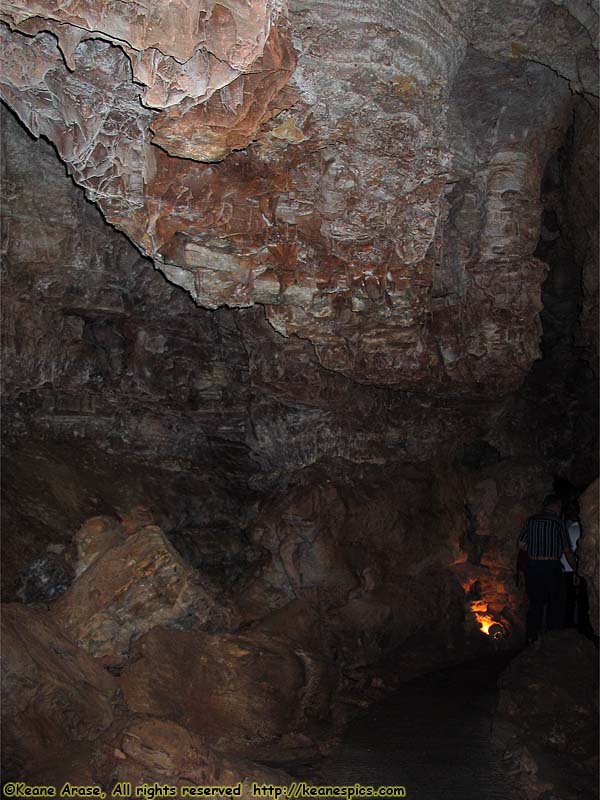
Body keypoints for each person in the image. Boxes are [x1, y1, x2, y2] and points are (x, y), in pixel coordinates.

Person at [517, 494, 578, 644]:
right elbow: (567, 550)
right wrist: (576, 570)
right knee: (556, 601)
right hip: (551, 566)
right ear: (557, 506)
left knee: (536, 602)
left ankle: (532, 637)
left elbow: (522, 545)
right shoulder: (558, 523)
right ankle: (552, 637)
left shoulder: (531, 521)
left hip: (533, 566)